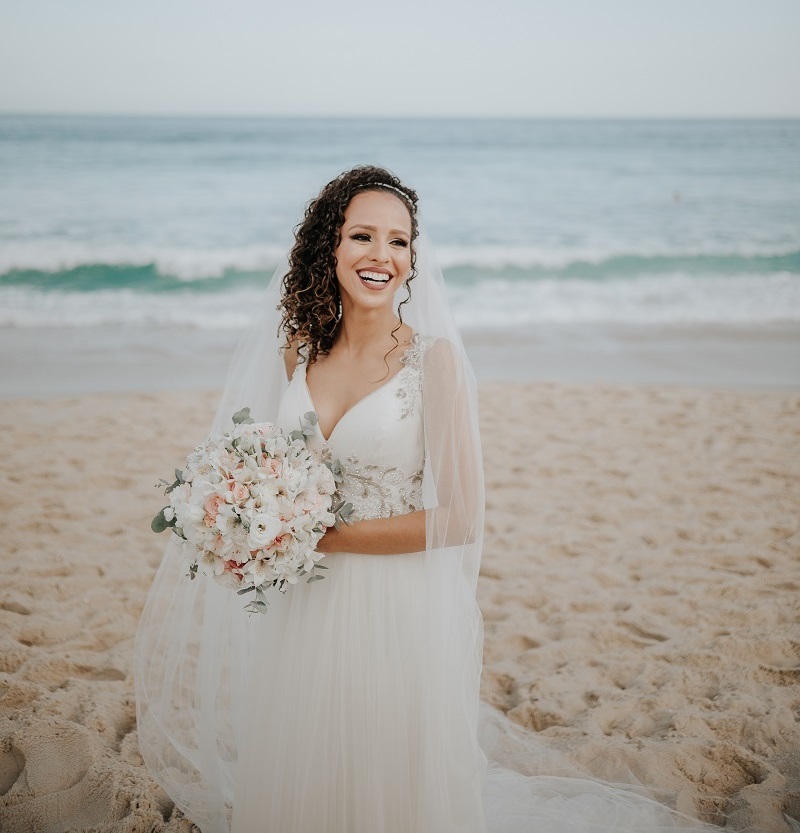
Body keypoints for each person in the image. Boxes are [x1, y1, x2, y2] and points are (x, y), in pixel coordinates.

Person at [134, 166, 724, 832]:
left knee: (388, 774)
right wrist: (248, 517)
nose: (381, 256)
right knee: (305, 756)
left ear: (414, 258)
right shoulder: (296, 352)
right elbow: (268, 468)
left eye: (399, 242)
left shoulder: (433, 360)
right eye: (363, 235)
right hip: (305, 602)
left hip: (395, 606)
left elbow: (462, 518)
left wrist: (323, 535)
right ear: (330, 246)